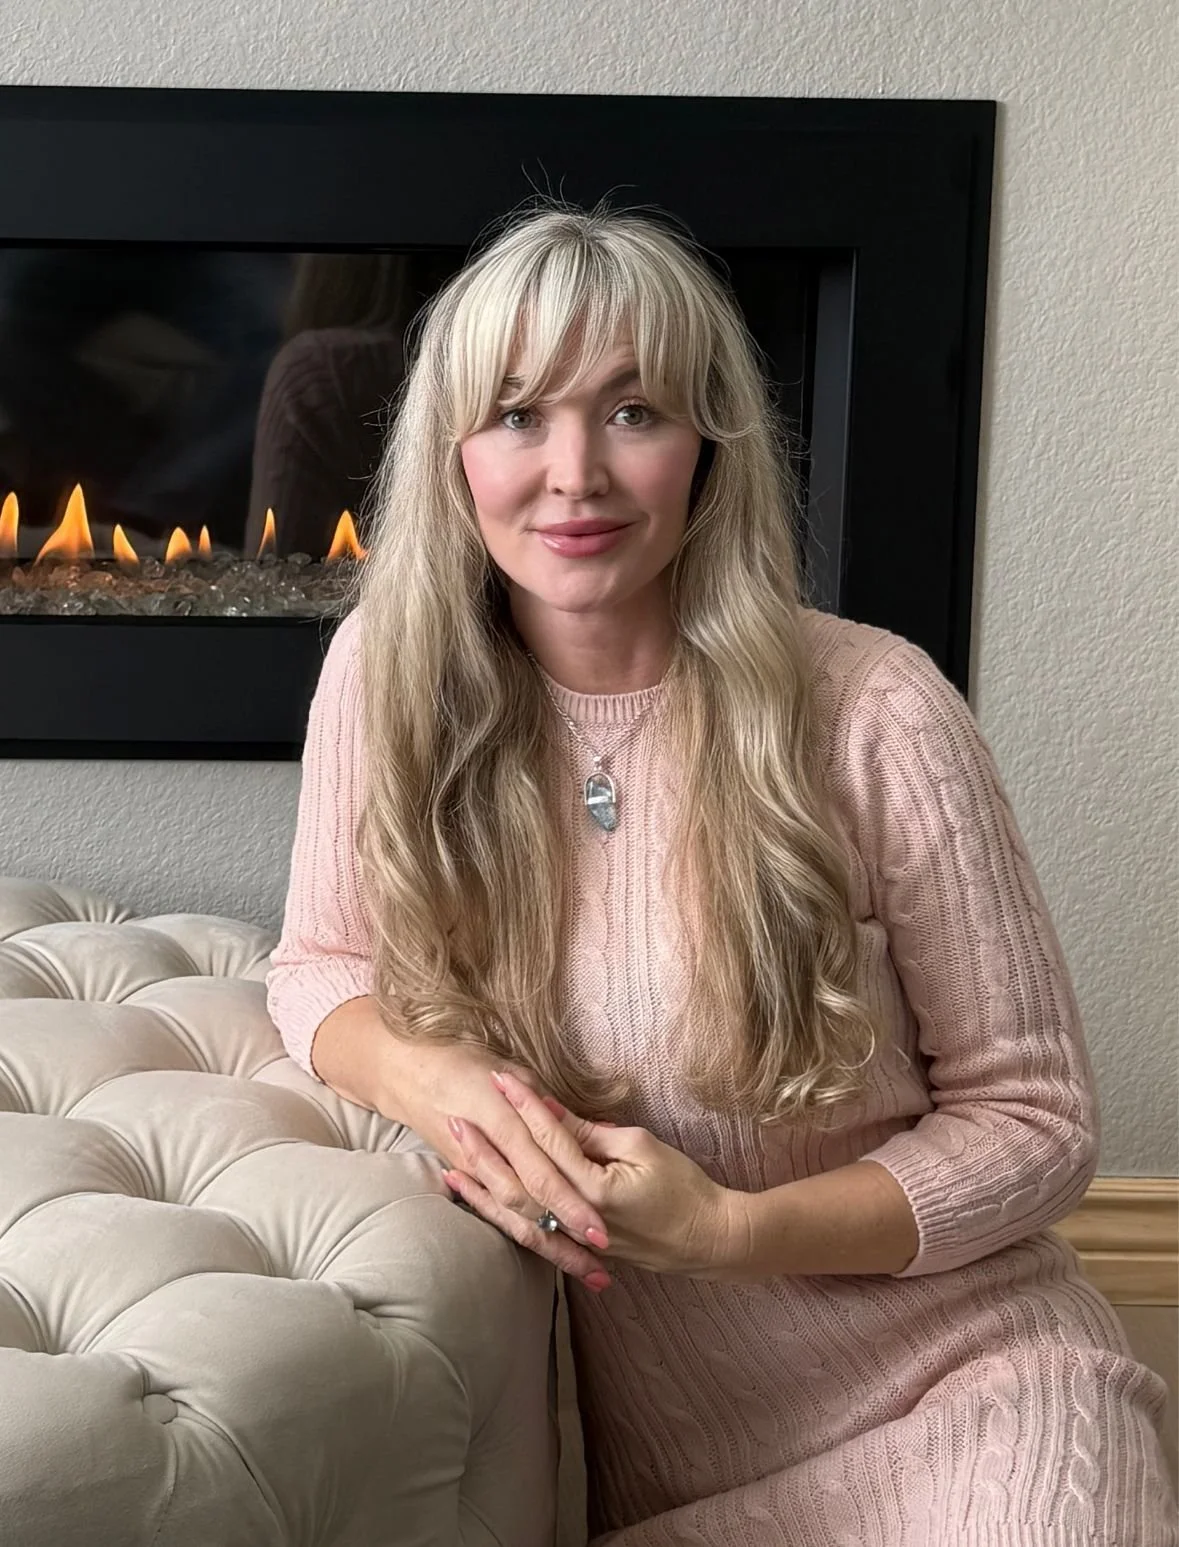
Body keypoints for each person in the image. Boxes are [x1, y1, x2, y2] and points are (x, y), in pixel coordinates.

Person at [266, 200, 1177, 1546]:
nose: (573, 473)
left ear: (708, 446)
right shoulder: (387, 677)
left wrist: (726, 1231)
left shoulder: (875, 708)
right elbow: (320, 965)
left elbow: (1035, 1122)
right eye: (517, 414)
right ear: (452, 451)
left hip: (982, 1394)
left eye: (633, 412)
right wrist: (437, 1082)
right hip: (678, 1483)